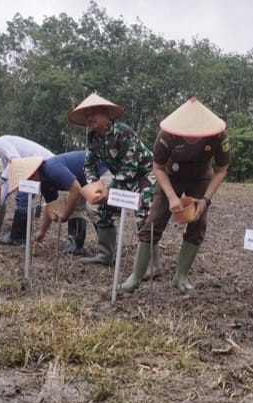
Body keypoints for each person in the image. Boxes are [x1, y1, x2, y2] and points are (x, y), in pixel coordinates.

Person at [121, 97, 230, 293]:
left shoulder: (219, 137)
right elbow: (158, 167)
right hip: (170, 176)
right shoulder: (167, 136)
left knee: (198, 223)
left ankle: (181, 276)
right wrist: (171, 196)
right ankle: (135, 277)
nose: (191, 137)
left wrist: (205, 199)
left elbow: (221, 169)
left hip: (201, 178)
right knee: (154, 221)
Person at [68, 93, 156, 265]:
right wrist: (95, 186)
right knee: (101, 210)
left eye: (94, 114)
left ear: (106, 114)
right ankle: (106, 254)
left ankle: (151, 264)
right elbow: (89, 164)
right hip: (120, 177)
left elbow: (131, 167)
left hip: (144, 175)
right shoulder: (92, 137)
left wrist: (110, 191)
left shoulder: (123, 132)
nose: (90, 118)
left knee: (145, 215)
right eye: (87, 115)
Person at [0, 134, 55, 245]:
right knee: (46, 201)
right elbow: (8, 178)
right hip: (38, 167)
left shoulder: (1, 142)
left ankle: (17, 237)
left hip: (44, 165)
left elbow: (15, 161)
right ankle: (21, 237)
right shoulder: (3, 155)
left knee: (22, 198)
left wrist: (1, 180)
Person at [27, 150, 110, 255]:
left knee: (95, 207)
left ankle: (106, 252)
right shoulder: (44, 181)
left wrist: (65, 214)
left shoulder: (51, 168)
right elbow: (51, 206)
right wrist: (42, 231)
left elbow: (75, 189)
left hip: (99, 169)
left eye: (29, 179)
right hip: (83, 180)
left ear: (34, 173)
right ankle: (75, 246)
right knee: (74, 206)